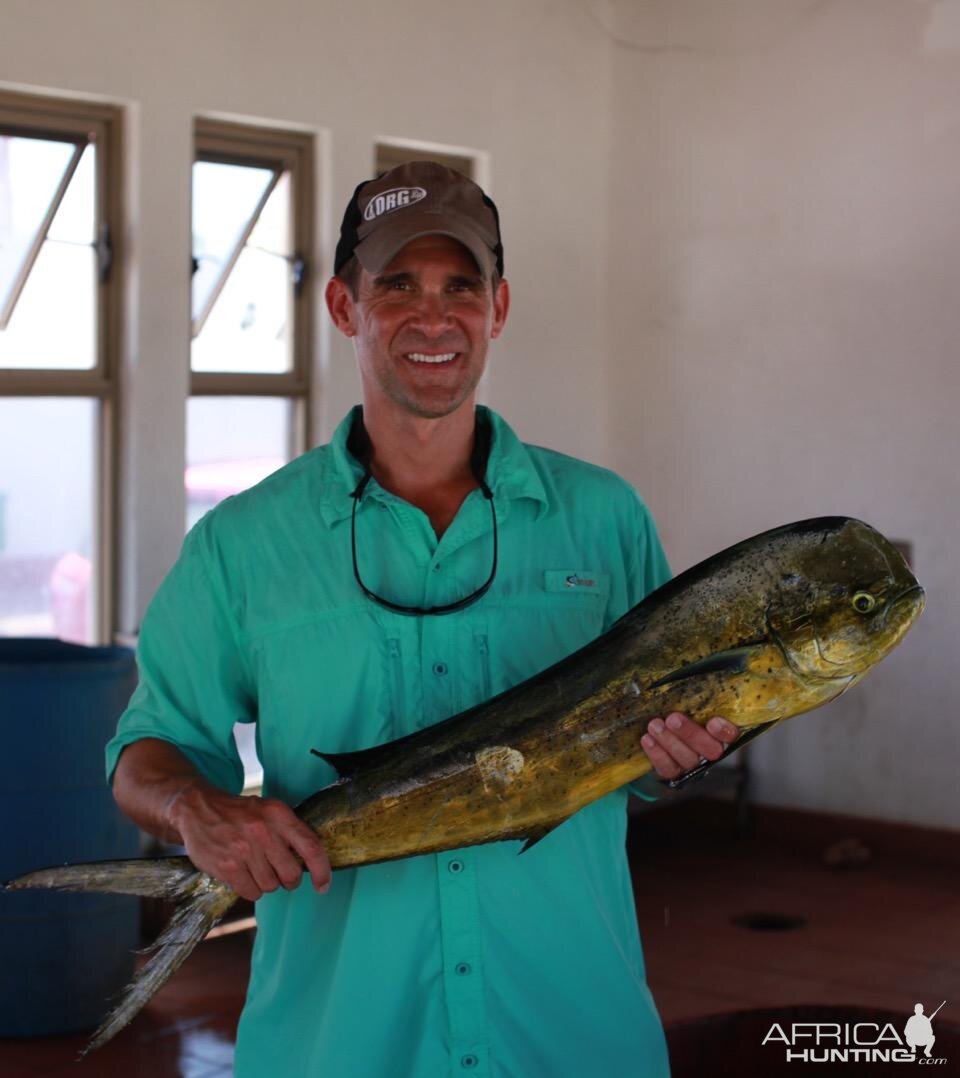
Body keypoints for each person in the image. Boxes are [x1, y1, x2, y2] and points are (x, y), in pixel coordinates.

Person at [107, 160, 738, 1077]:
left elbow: (647, 765)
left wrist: (687, 757)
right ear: (342, 305)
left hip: (572, 1038)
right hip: (337, 1048)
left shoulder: (604, 520)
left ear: (500, 306)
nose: (433, 317)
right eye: (397, 284)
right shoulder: (242, 546)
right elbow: (147, 750)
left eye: (461, 287)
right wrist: (193, 806)